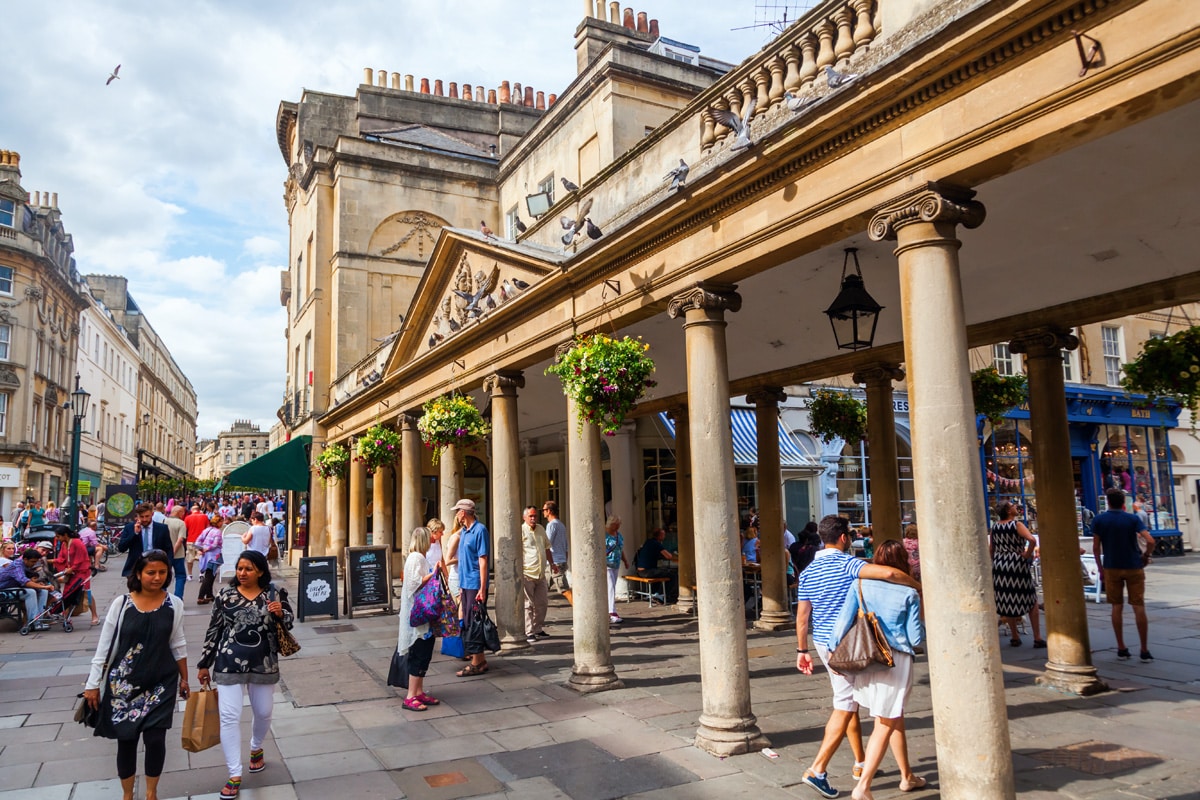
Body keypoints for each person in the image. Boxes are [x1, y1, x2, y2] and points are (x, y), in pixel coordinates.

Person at [796, 514, 921, 799]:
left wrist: (802, 650)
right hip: (852, 644)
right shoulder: (850, 563)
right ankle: (818, 769)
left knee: (850, 701)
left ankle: (864, 763)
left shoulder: (808, 570)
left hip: (824, 643)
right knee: (848, 705)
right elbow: (888, 574)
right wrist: (917, 586)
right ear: (843, 538)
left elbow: (803, 617)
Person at [83, 550, 188, 800]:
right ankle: (127, 794)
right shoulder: (121, 604)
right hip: (124, 685)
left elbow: (178, 643)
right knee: (126, 740)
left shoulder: (175, 603)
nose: (157, 577)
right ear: (139, 574)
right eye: (151, 572)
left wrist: (185, 678)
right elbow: (104, 647)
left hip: (161, 682)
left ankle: (151, 793)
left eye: (162, 572)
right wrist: (92, 684)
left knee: (155, 740)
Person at [828, 540, 927, 800]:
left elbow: (842, 623)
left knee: (892, 715)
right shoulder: (909, 592)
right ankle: (863, 786)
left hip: (866, 655)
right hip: (895, 659)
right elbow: (915, 638)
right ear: (903, 562)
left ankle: (907, 776)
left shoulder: (860, 583)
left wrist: (833, 654)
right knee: (885, 721)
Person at [197, 550, 293, 800]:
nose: (242, 573)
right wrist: (204, 664)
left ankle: (255, 747)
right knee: (229, 716)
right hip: (228, 662)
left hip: (264, 662)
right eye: (239, 568)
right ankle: (234, 774)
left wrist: (281, 614)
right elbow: (214, 629)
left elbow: (290, 622)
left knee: (263, 712)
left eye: (248, 569)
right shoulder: (225, 595)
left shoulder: (274, 593)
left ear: (260, 571)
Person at [1093, 488, 1156, 661]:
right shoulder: (1132, 519)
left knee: (1116, 606)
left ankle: (1121, 647)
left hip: (1112, 567)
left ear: (1108, 501)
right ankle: (1144, 649)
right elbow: (1150, 540)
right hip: (1133, 565)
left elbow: (1096, 547)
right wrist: (1146, 556)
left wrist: (1100, 569)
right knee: (1138, 606)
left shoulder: (1099, 520)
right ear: (1123, 503)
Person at [396, 526, 442, 711]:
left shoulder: (417, 557)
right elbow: (414, 583)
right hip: (419, 615)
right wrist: (434, 572)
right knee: (418, 654)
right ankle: (410, 696)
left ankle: (419, 692)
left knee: (424, 654)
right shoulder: (417, 557)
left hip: (422, 615)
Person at [989, 501, 1044, 648]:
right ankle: (1037, 637)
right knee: (1030, 599)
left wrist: (995, 562)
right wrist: (1026, 554)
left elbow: (991, 549)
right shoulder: (1016, 525)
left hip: (1000, 564)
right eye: (1012, 505)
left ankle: (1015, 636)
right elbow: (1032, 540)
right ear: (1008, 511)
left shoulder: (995, 527)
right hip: (1016, 563)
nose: (1015, 507)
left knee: (1007, 600)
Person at [454, 499, 491, 677]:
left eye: (457, 511)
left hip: (475, 582)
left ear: (463, 512)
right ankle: (480, 659)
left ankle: (476, 663)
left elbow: (483, 560)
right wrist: (461, 585)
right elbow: (462, 560)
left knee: (474, 622)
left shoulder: (480, 530)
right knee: (470, 621)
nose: (456, 514)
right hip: (465, 583)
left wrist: (482, 588)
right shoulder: (464, 531)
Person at [0, 548, 54, 630]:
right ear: (25, 559)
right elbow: (24, 582)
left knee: (43, 591)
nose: (34, 564)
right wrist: (44, 586)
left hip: (13, 589)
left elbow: (26, 581)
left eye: (35, 562)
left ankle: (38, 620)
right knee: (30, 592)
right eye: (32, 561)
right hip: (3, 591)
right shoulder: (17, 565)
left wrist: (40, 586)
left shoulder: (24, 565)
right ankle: (33, 622)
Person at [520, 506, 552, 643]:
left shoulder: (540, 529)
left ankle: (538, 628)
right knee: (528, 604)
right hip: (527, 572)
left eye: (535, 516)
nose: (533, 518)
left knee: (542, 602)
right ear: (524, 517)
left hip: (540, 572)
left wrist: (553, 563)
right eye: (530, 516)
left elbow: (547, 547)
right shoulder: (521, 530)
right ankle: (529, 631)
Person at [116, 504, 173, 577]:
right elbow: (121, 548)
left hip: (156, 568)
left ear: (152, 514)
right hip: (136, 569)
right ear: (137, 516)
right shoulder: (130, 528)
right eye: (141, 517)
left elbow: (169, 549)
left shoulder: (162, 528)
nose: (144, 519)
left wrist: (168, 566)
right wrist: (135, 533)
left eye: (147, 516)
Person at [54, 525, 94, 623]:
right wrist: (49, 561)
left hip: (81, 572)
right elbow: (61, 559)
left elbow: (81, 559)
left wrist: (71, 568)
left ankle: (94, 615)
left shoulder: (76, 542)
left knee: (85, 592)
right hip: (71, 572)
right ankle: (66, 615)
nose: (57, 538)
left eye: (58, 536)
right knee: (67, 593)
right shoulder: (64, 544)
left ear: (65, 535)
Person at [634, 527, 677, 602]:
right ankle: (661, 596)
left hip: (640, 571)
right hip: (647, 572)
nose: (664, 536)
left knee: (660, 572)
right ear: (659, 536)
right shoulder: (656, 544)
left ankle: (654, 593)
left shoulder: (648, 542)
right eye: (663, 535)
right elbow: (669, 556)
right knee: (672, 574)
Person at [195, 515, 226, 604]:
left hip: (205, 556)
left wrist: (201, 549)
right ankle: (201, 596)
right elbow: (215, 544)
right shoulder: (217, 532)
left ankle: (209, 595)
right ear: (218, 522)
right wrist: (207, 549)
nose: (222, 523)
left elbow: (198, 540)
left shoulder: (206, 530)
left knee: (210, 575)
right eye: (221, 521)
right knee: (209, 576)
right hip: (214, 556)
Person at [604, 516, 628, 624]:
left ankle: (609, 610)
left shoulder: (619, 535)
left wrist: (625, 561)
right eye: (618, 524)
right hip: (607, 564)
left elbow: (620, 549)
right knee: (610, 588)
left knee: (611, 586)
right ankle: (612, 612)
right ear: (612, 524)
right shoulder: (604, 535)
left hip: (616, 564)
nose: (619, 526)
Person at [543, 500, 569, 594]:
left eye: (544, 510)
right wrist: (565, 560)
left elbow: (546, 543)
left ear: (549, 511)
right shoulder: (561, 525)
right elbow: (566, 546)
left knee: (565, 591)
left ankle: (579, 607)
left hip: (554, 563)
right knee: (540, 590)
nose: (543, 512)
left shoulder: (552, 525)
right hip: (558, 561)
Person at [165, 506, 188, 598]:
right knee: (180, 576)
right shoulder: (181, 523)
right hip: (178, 555)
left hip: (165, 554)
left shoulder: (163, 521)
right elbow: (180, 540)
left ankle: (162, 597)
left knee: (164, 575)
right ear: (178, 512)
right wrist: (173, 552)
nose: (183, 514)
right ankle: (178, 598)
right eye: (182, 512)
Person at [184, 504, 209, 579]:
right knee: (201, 558)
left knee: (190, 558)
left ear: (192, 510)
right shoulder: (204, 516)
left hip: (191, 540)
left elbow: (185, 529)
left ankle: (190, 575)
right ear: (199, 510)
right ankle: (201, 574)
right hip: (201, 541)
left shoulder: (187, 518)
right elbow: (207, 528)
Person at [442, 518, 461, 604]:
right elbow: (447, 561)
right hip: (456, 577)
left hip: (462, 576)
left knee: (463, 604)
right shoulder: (456, 537)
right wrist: (463, 559)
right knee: (462, 604)